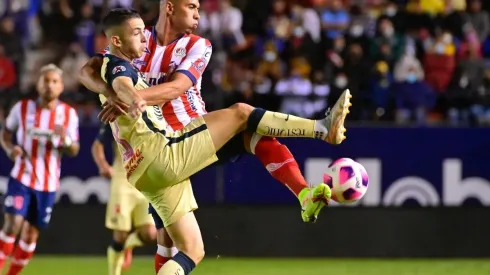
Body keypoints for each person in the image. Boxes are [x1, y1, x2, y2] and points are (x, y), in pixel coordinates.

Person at [78, 0, 350, 272]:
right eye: (192, 6)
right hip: (165, 147)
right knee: (169, 243)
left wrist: (129, 98)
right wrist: (115, 94)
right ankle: (321, 131)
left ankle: (304, 193)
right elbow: (89, 70)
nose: (199, 14)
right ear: (170, 7)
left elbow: (177, 87)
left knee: (251, 132)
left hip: (185, 136)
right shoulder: (135, 38)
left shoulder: (198, 45)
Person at [0, 64, 80, 275]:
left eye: (54, 82)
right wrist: (10, 150)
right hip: (21, 177)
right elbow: (6, 134)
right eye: (46, 81)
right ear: (38, 84)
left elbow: (74, 149)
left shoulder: (68, 114)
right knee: (12, 225)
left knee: (30, 235)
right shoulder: (22, 108)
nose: (50, 86)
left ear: (61, 87)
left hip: (47, 184)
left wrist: (66, 140)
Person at [91, 123, 157, 275]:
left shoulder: (153, 113)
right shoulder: (115, 117)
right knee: (120, 235)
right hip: (123, 180)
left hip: (146, 181)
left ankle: (129, 246)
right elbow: (97, 145)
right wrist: (103, 165)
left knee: (150, 234)